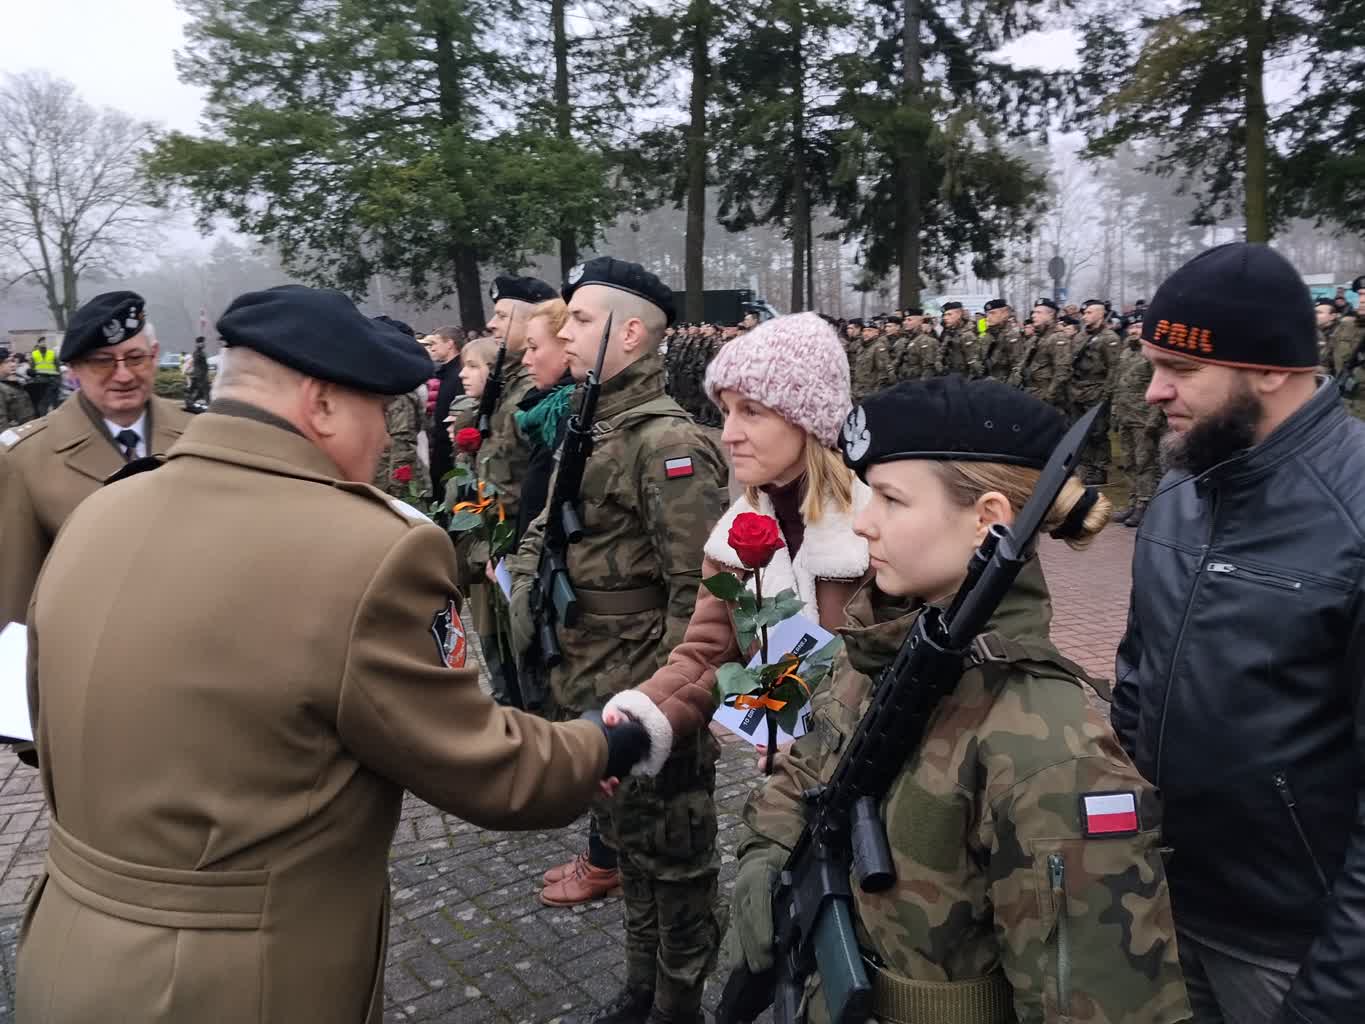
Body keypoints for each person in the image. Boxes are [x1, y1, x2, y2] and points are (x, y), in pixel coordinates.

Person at [16, 284, 651, 1024]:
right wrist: (611, 740)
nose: (384, 437)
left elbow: (44, 723)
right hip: (235, 986)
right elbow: (489, 770)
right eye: (376, 409)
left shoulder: (97, 510)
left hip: (62, 952)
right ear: (319, 404)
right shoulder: (370, 551)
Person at [726, 375, 1190, 1024]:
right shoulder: (877, 648)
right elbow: (810, 768)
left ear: (987, 520)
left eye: (890, 499)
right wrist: (768, 853)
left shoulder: (1053, 752)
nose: (862, 522)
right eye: (867, 493)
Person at [1114, 243, 1365, 1024]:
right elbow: (1136, 682)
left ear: (1269, 369)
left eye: (1180, 369)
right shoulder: (1182, 483)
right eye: (1151, 365)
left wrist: (1330, 995)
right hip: (1166, 908)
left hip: (1293, 948)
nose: (1153, 392)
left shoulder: (1353, 514)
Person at [507, 256, 728, 1024]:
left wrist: (663, 711)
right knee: (628, 848)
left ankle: (678, 1003)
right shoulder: (591, 422)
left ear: (629, 333)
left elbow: (699, 597)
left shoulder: (666, 443)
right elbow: (548, 537)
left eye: (581, 319)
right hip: (593, 682)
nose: (562, 330)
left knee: (676, 864)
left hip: (646, 694)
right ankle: (639, 991)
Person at [602, 312, 870, 777]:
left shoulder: (877, 529)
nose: (727, 435)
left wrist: (823, 747)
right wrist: (638, 720)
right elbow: (706, 657)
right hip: (791, 784)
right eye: (726, 412)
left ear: (808, 418)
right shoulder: (734, 540)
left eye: (751, 411)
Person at [0, 291, 191, 628]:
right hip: (89, 644)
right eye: (103, 361)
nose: (124, 375)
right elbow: (16, 604)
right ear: (75, 369)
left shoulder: (200, 432)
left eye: (135, 358)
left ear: (154, 355)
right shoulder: (24, 459)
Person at [1111, 318, 1163, 528]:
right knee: (1129, 462)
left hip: (1143, 419)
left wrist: (1154, 419)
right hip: (1125, 417)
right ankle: (1133, 502)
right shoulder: (1126, 352)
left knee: (1145, 463)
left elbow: (1159, 387)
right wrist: (1115, 412)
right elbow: (1118, 386)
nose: (1134, 330)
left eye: (1139, 327)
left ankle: (1146, 503)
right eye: (1132, 327)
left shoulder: (1152, 354)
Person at [369, 316, 425, 498]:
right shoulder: (382, 385)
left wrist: (396, 494)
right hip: (381, 482)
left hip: (395, 489)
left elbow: (402, 446)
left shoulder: (398, 392)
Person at [1070, 299, 1122, 484]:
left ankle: (1100, 469)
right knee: (1081, 432)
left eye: (1089, 312)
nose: (1085, 316)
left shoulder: (1110, 338)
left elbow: (1114, 369)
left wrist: (1106, 395)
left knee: (1098, 433)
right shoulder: (1080, 336)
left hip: (1097, 390)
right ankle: (1085, 467)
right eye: (1084, 313)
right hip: (1077, 390)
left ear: (1101, 314)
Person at [424, 325, 464, 499]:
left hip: (452, 447)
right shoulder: (446, 373)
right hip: (441, 444)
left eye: (434, 343)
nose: (431, 348)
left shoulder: (459, 374)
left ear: (450, 344)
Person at [977, 299, 1018, 382]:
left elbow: (1018, 367)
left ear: (1004, 313)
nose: (988, 317)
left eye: (992, 313)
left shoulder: (1012, 335)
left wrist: (1006, 387)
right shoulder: (986, 335)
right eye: (987, 314)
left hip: (1004, 385)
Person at [936, 300, 980, 377]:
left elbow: (974, 364)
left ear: (959, 314)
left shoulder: (968, 334)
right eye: (944, 315)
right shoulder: (949, 332)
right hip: (952, 375)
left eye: (949, 314)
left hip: (964, 377)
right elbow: (942, 351)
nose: (945, 318)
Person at [0, 347, 36, 432]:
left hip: (25, 431)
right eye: (7, 362)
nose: (13, 365)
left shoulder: (12, 383)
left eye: (13, 361)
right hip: (15, 436)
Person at [27, 336, 60, 415]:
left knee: (54, 403)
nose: (44, 343)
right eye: (42, 342)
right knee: (43, 404)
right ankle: (44, 417)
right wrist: (35, 379)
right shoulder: (34, 354)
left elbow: (57, 367)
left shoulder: (52, 353)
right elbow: (32, 369)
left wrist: (58, 380)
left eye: (45, 342)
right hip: (40, 382)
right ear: (38, 344)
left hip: (52, 380)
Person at [185, 335, 211, 410]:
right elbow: (197, 365)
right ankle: (192, 404)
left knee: (202, 392)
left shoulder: (202, 353)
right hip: (200, 376)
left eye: (203, 342)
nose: (203, 344)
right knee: (204, 391)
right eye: (201, 342)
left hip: (203, 376)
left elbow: (204, 366)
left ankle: (191, 403)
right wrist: (200, 376)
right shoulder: (197, 353)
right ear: (197, 344)